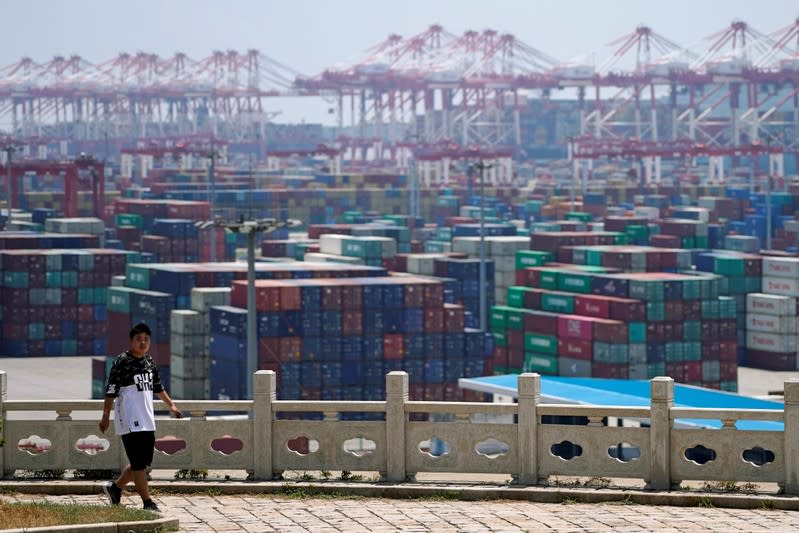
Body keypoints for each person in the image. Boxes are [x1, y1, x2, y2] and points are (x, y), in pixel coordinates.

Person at [99, 322, 182, 512]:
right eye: (138, 339)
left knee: (143, 464)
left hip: (147, 419)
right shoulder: (122, 361)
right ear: (131, 341)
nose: (143, 343)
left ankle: (115, 488)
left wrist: (172, 406)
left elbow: (158, 388)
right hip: (129, 420)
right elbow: (111, 391)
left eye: (146, 339)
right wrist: (105, 417)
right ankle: (147, 502)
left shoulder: (149, 361)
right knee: (138, 464)